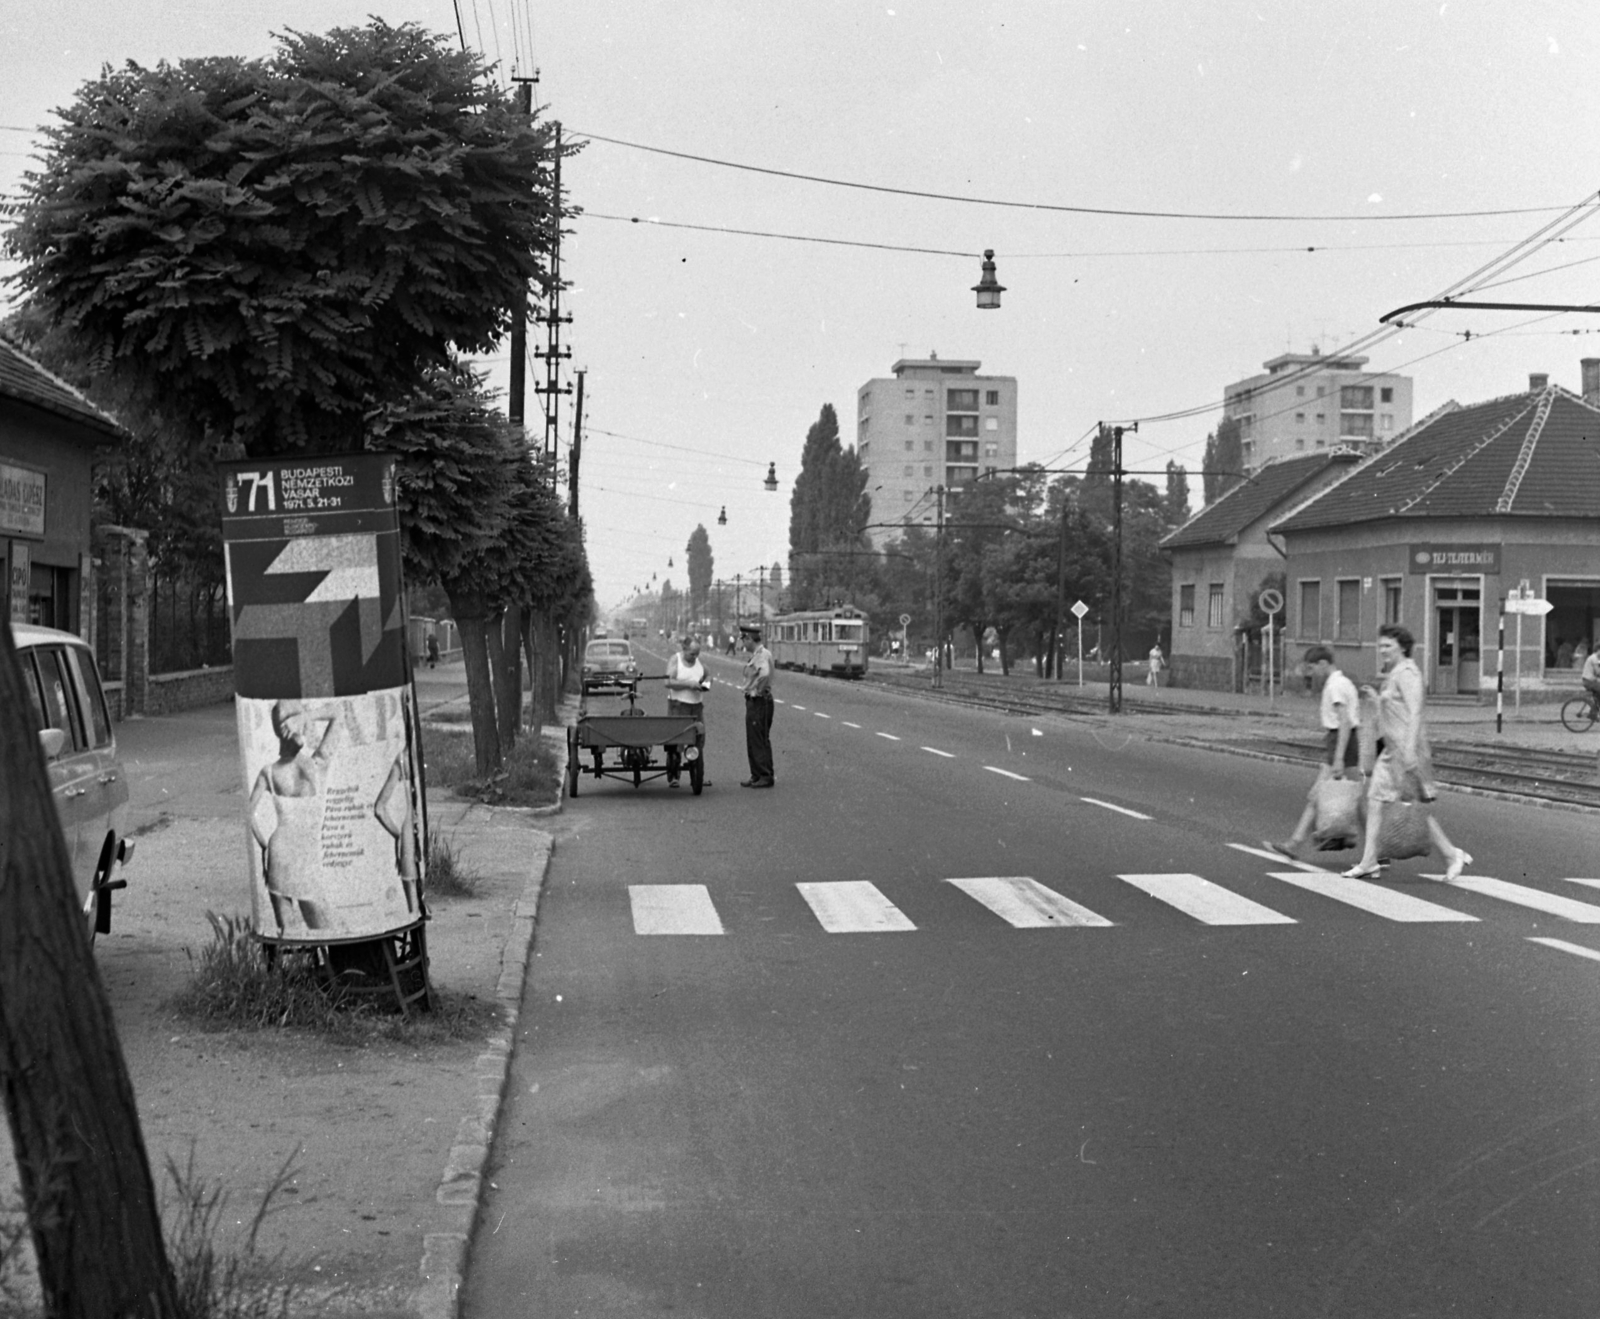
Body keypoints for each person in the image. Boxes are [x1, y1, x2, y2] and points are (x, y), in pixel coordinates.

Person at [1342, 624, 1472, 882]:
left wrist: (1411, 750)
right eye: (1380, 646)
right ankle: (1369, 861)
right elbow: (1393, 713)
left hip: (1406, 750)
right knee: (1377, 801)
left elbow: (1415, 712)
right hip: (1392, 751)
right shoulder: (1395, 673)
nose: (1382, 651)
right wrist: (1376, 700)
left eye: (1387, 646)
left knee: (1412, 808)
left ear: (1402, 647)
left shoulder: (1408, 673)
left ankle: (1450, 853)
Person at [249, 699, 344, 934]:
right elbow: (338, 713)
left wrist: (264, 845)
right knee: (323, 929)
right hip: (303, 855)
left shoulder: (269, 772)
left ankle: (291, 972)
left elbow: (248, 813)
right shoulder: (316, 764)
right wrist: (308, 716)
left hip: (278, 851)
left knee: (289, 932)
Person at [1267, 645, 1361, 859]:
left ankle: (1295, 843)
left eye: (1312, 668)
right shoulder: (1344, 682)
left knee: (1318, 795)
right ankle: (1376, 849)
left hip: (1340, 740)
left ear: (1323, 664)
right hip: (1343, 740)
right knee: (1353, 797)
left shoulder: (1335, 686)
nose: (1311, 673)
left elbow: (1344, 721)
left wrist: (1338, 757)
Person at [663, 634, 709, 787]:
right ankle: (674, 774)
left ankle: (697, 772)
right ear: (684, 649)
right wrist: (688, 684)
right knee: (677, 741)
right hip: (678, 706)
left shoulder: (698, 662)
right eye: (692, 654)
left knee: (698, 739)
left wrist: (706, 684)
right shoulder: (675, 660)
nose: (695, 657)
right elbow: (668, 682)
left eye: (697, 654)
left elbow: (707, 676)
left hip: (696, 706)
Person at [740, 625, 775, 787]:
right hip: (760, 702)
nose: (743, 643)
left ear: (749, 639)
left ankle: (764, 775)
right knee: (756, 738)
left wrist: (757, 691)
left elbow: (765, 674)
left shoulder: (761, 655)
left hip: (759, 701)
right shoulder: (760, 654)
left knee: (758, 739)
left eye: (743, 639)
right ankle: (757, 774)